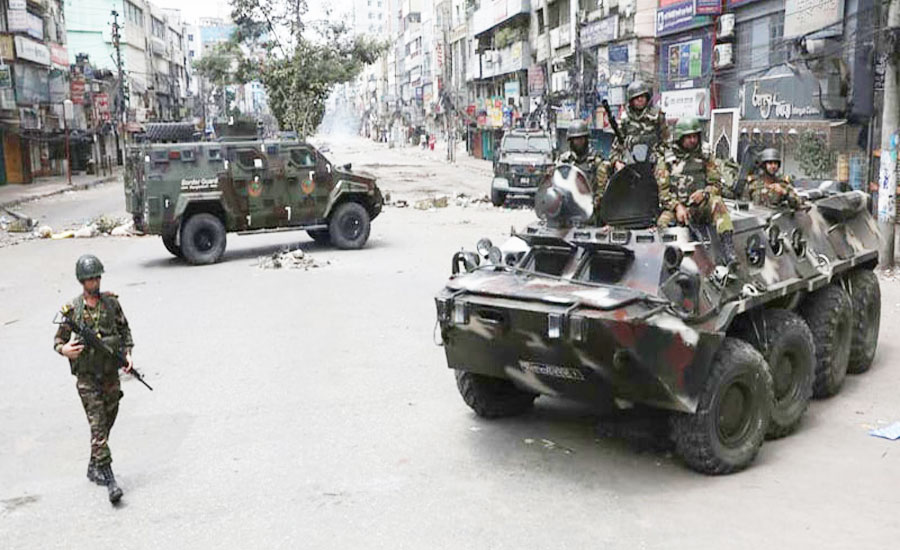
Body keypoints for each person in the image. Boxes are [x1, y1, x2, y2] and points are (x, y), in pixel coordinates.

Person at [54, 254, 134, 504]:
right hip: (87, 379)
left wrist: (128, 354)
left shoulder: (111, 304)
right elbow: (58, 340)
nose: (95, 282)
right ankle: (110, 479)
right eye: (90, 279)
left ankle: (93, 464)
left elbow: (124, 330)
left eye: (97, 277)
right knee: (98, 425)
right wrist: (64, 350)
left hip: (110, 374)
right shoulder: (72, 311)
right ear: (82, 281)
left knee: (108, 419)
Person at [656, 117, 736, 265]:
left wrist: (705, 193)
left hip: (700, 206)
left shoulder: (705, 155)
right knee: (662, 224)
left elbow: (716, 185)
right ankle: (670, 262)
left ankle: (728, 248)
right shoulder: (667, 159)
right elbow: (663, 193)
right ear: (680, 137)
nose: (693, 140)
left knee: (717, 203)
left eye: (695, 136)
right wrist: (677, 206)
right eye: (688, 137)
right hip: (676, 209)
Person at [610, 80, 670, 171]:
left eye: (642, 96)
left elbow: (667, 142)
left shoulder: (657, 116)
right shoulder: (625, 119)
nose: (640, 99)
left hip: (654, 162)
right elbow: (616, 147)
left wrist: (658, 156)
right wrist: (617, 162)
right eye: (636, 97)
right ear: (631, 100)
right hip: (630, 163)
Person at [558, 120, 610, 210]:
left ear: (586, 139)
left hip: (589, 209)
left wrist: (595, 203)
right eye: (575, 139)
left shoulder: (596, 161)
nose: (578, 142)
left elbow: (602, 190)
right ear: (571, 141)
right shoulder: (564, 161)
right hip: (567, 209)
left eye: (581, 139)